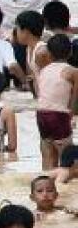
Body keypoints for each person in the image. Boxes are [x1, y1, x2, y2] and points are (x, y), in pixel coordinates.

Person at [34, 34, 77, 170]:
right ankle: (67, 188)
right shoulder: (73, 71)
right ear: (70, 52)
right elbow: (75, 99)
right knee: (67, 158)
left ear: (49, 54)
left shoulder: (44, 70)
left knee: (47, 155)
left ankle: (45, 181)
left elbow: (40, 93)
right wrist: (71, 116)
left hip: (41, 114)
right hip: (58, 115)